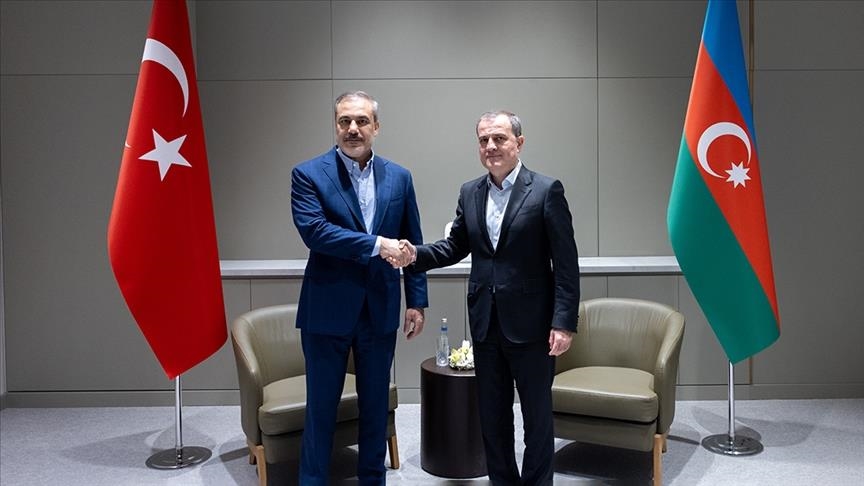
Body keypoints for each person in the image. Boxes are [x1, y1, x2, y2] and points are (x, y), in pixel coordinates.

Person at [402, 111, 580, 485]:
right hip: (485, 325)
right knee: (493, 419)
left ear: (519, 142)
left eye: (499, 138)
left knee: (536, 420)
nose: (491, 146)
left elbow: (565, 264)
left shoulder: (546, 190)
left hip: (533, 327)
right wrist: (414, 254)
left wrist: (563, 323)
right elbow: (454, 246)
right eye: (484, 140)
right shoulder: (470, 192)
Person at [291, 91, 428, 485]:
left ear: (376, 127)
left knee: (375, 409)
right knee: (321, 410)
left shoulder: (400, 177)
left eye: (362, 121)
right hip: (326, 311)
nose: (353, 129)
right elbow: (316, 232)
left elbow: (412, 242)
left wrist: (416, 300)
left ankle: (373, 479)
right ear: (335, 126)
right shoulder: (308, 174)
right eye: (344, 121)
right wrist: (377, 245)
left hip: (380, 310)